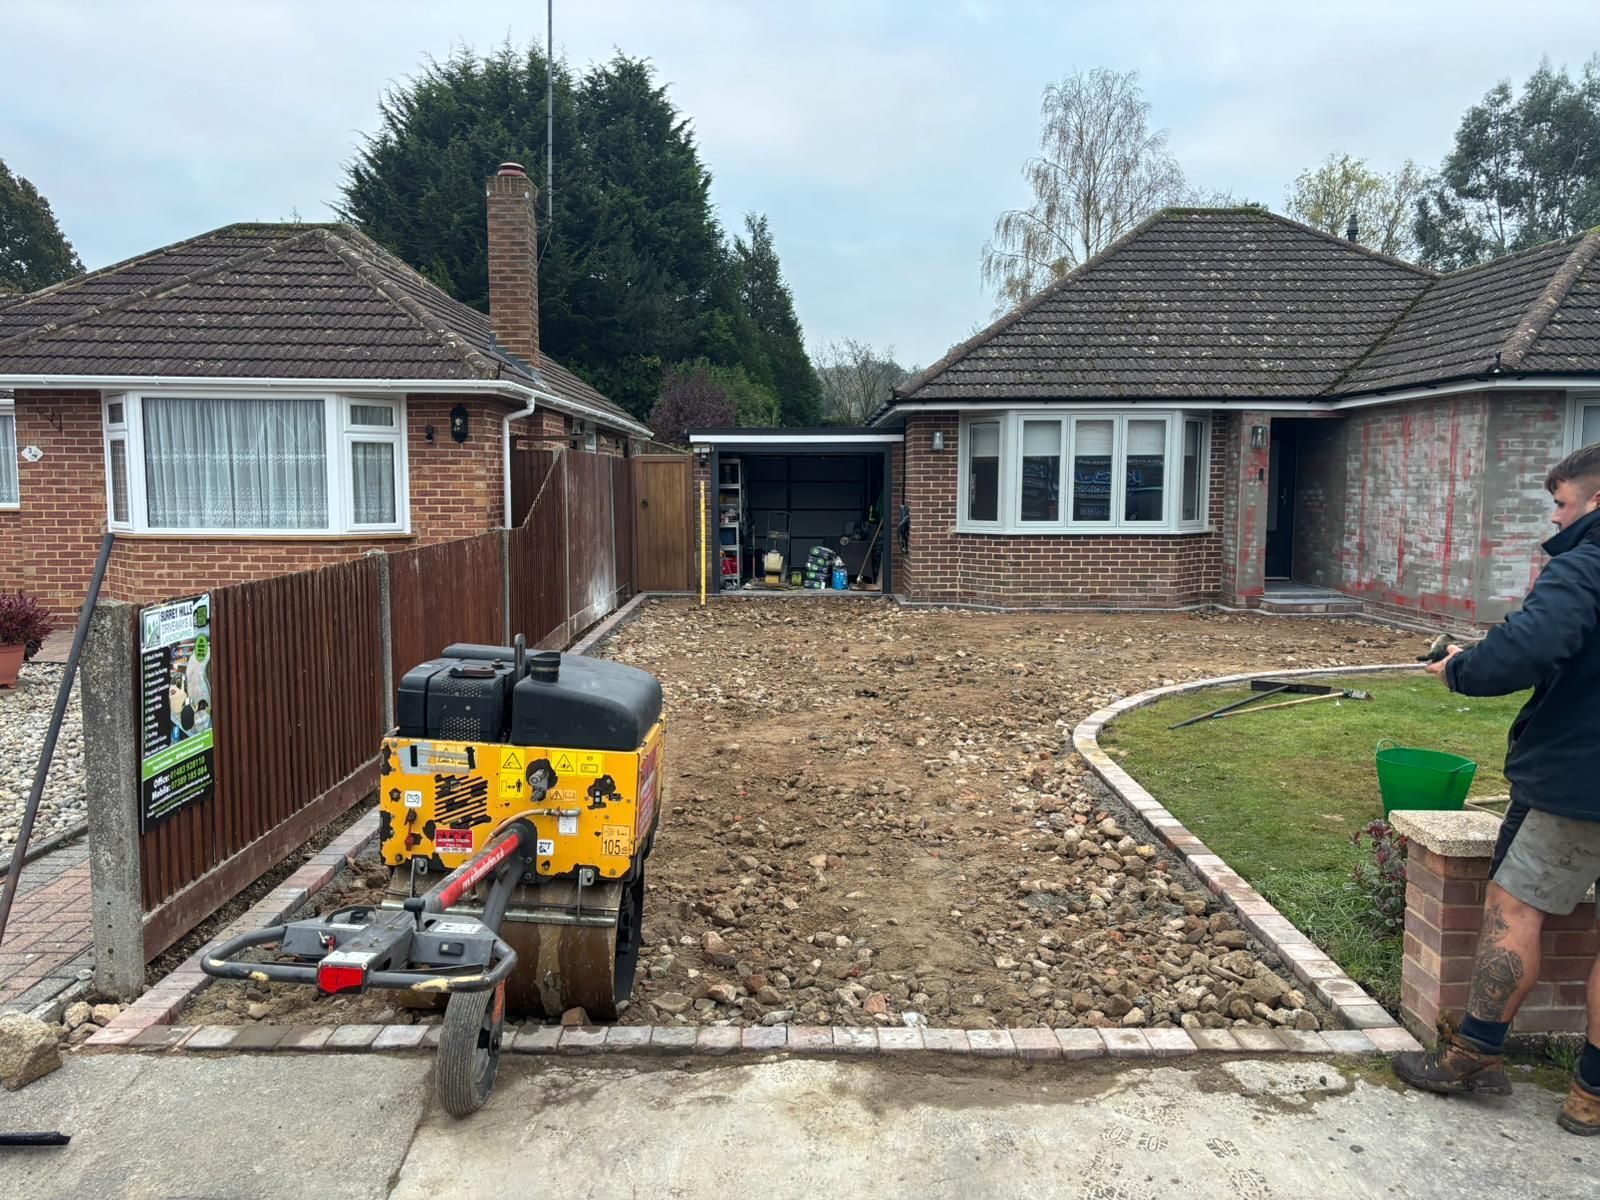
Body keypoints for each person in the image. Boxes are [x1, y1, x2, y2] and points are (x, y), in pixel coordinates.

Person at [1393, 442, 1600, 1136]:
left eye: (1562, 504)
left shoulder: (1587, 563)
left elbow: (1532, 645)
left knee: (1516, 910)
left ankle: (1474, 1052)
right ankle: (1591, 1096)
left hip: (1579, 782)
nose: (1556, 518)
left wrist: (1463, 669)